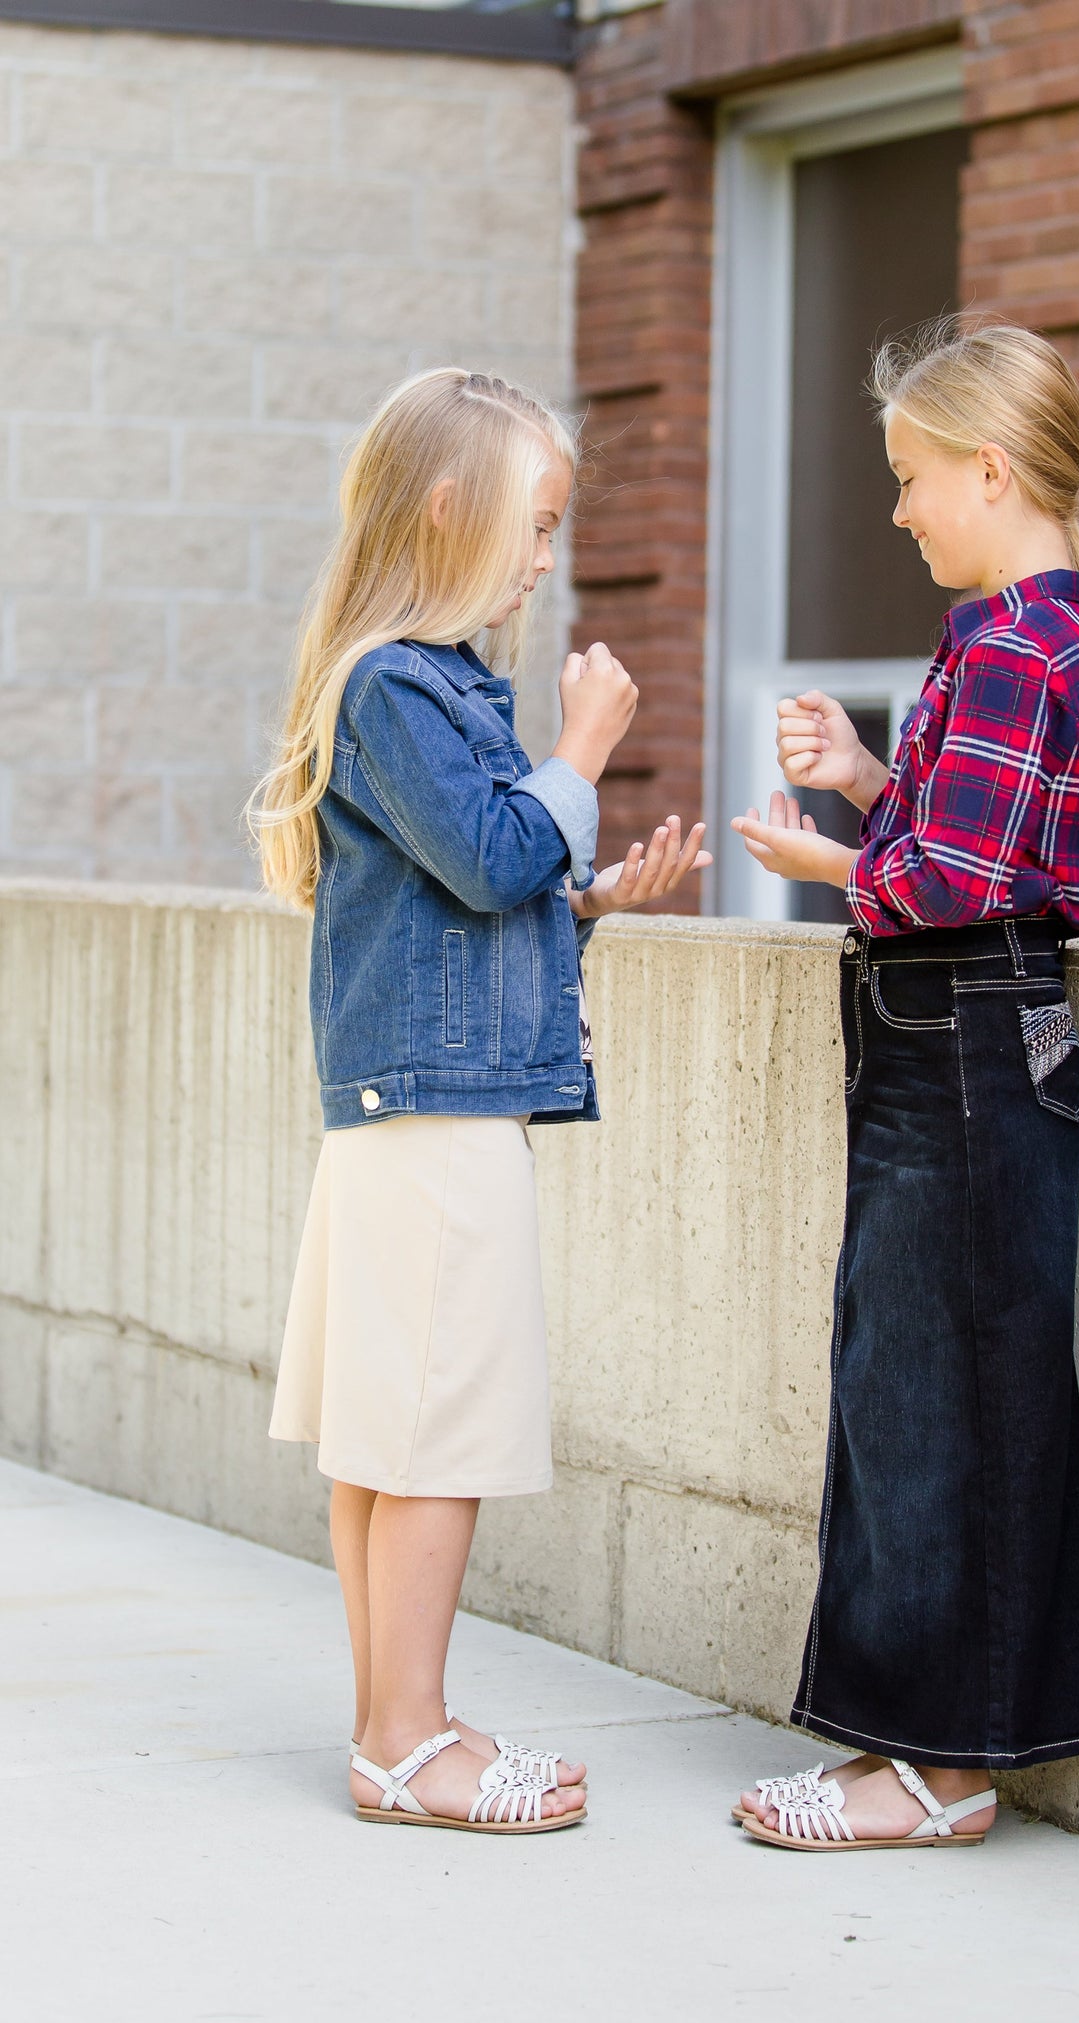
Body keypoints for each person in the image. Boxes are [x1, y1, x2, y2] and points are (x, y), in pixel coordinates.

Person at [253, 368, 709, 1836]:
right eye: (534, 528)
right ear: (451, 514)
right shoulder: (396, 681)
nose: (541, 561)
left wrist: (585, 901)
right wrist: (578, 756)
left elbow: (491, 889)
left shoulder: (426, 684)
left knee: (387, 1430)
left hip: (417, 1106)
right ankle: (407, 1737)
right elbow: (489, 855)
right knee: (432, 1434)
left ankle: (399, 1722)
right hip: (435, 1124)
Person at [730, 322, 1079, 1852]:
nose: (896, 511)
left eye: (907, 479)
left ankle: (931, 1770)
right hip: (977, 1030)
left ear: (987, 465)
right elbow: (983, 844)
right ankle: (944, 1750)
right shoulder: (1037, 629)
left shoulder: (1017, 643)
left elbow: (945, 883)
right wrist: (862, 782)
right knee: (956, 1377)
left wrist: (828, 858)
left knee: (919, 1391)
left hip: (952, 1036)